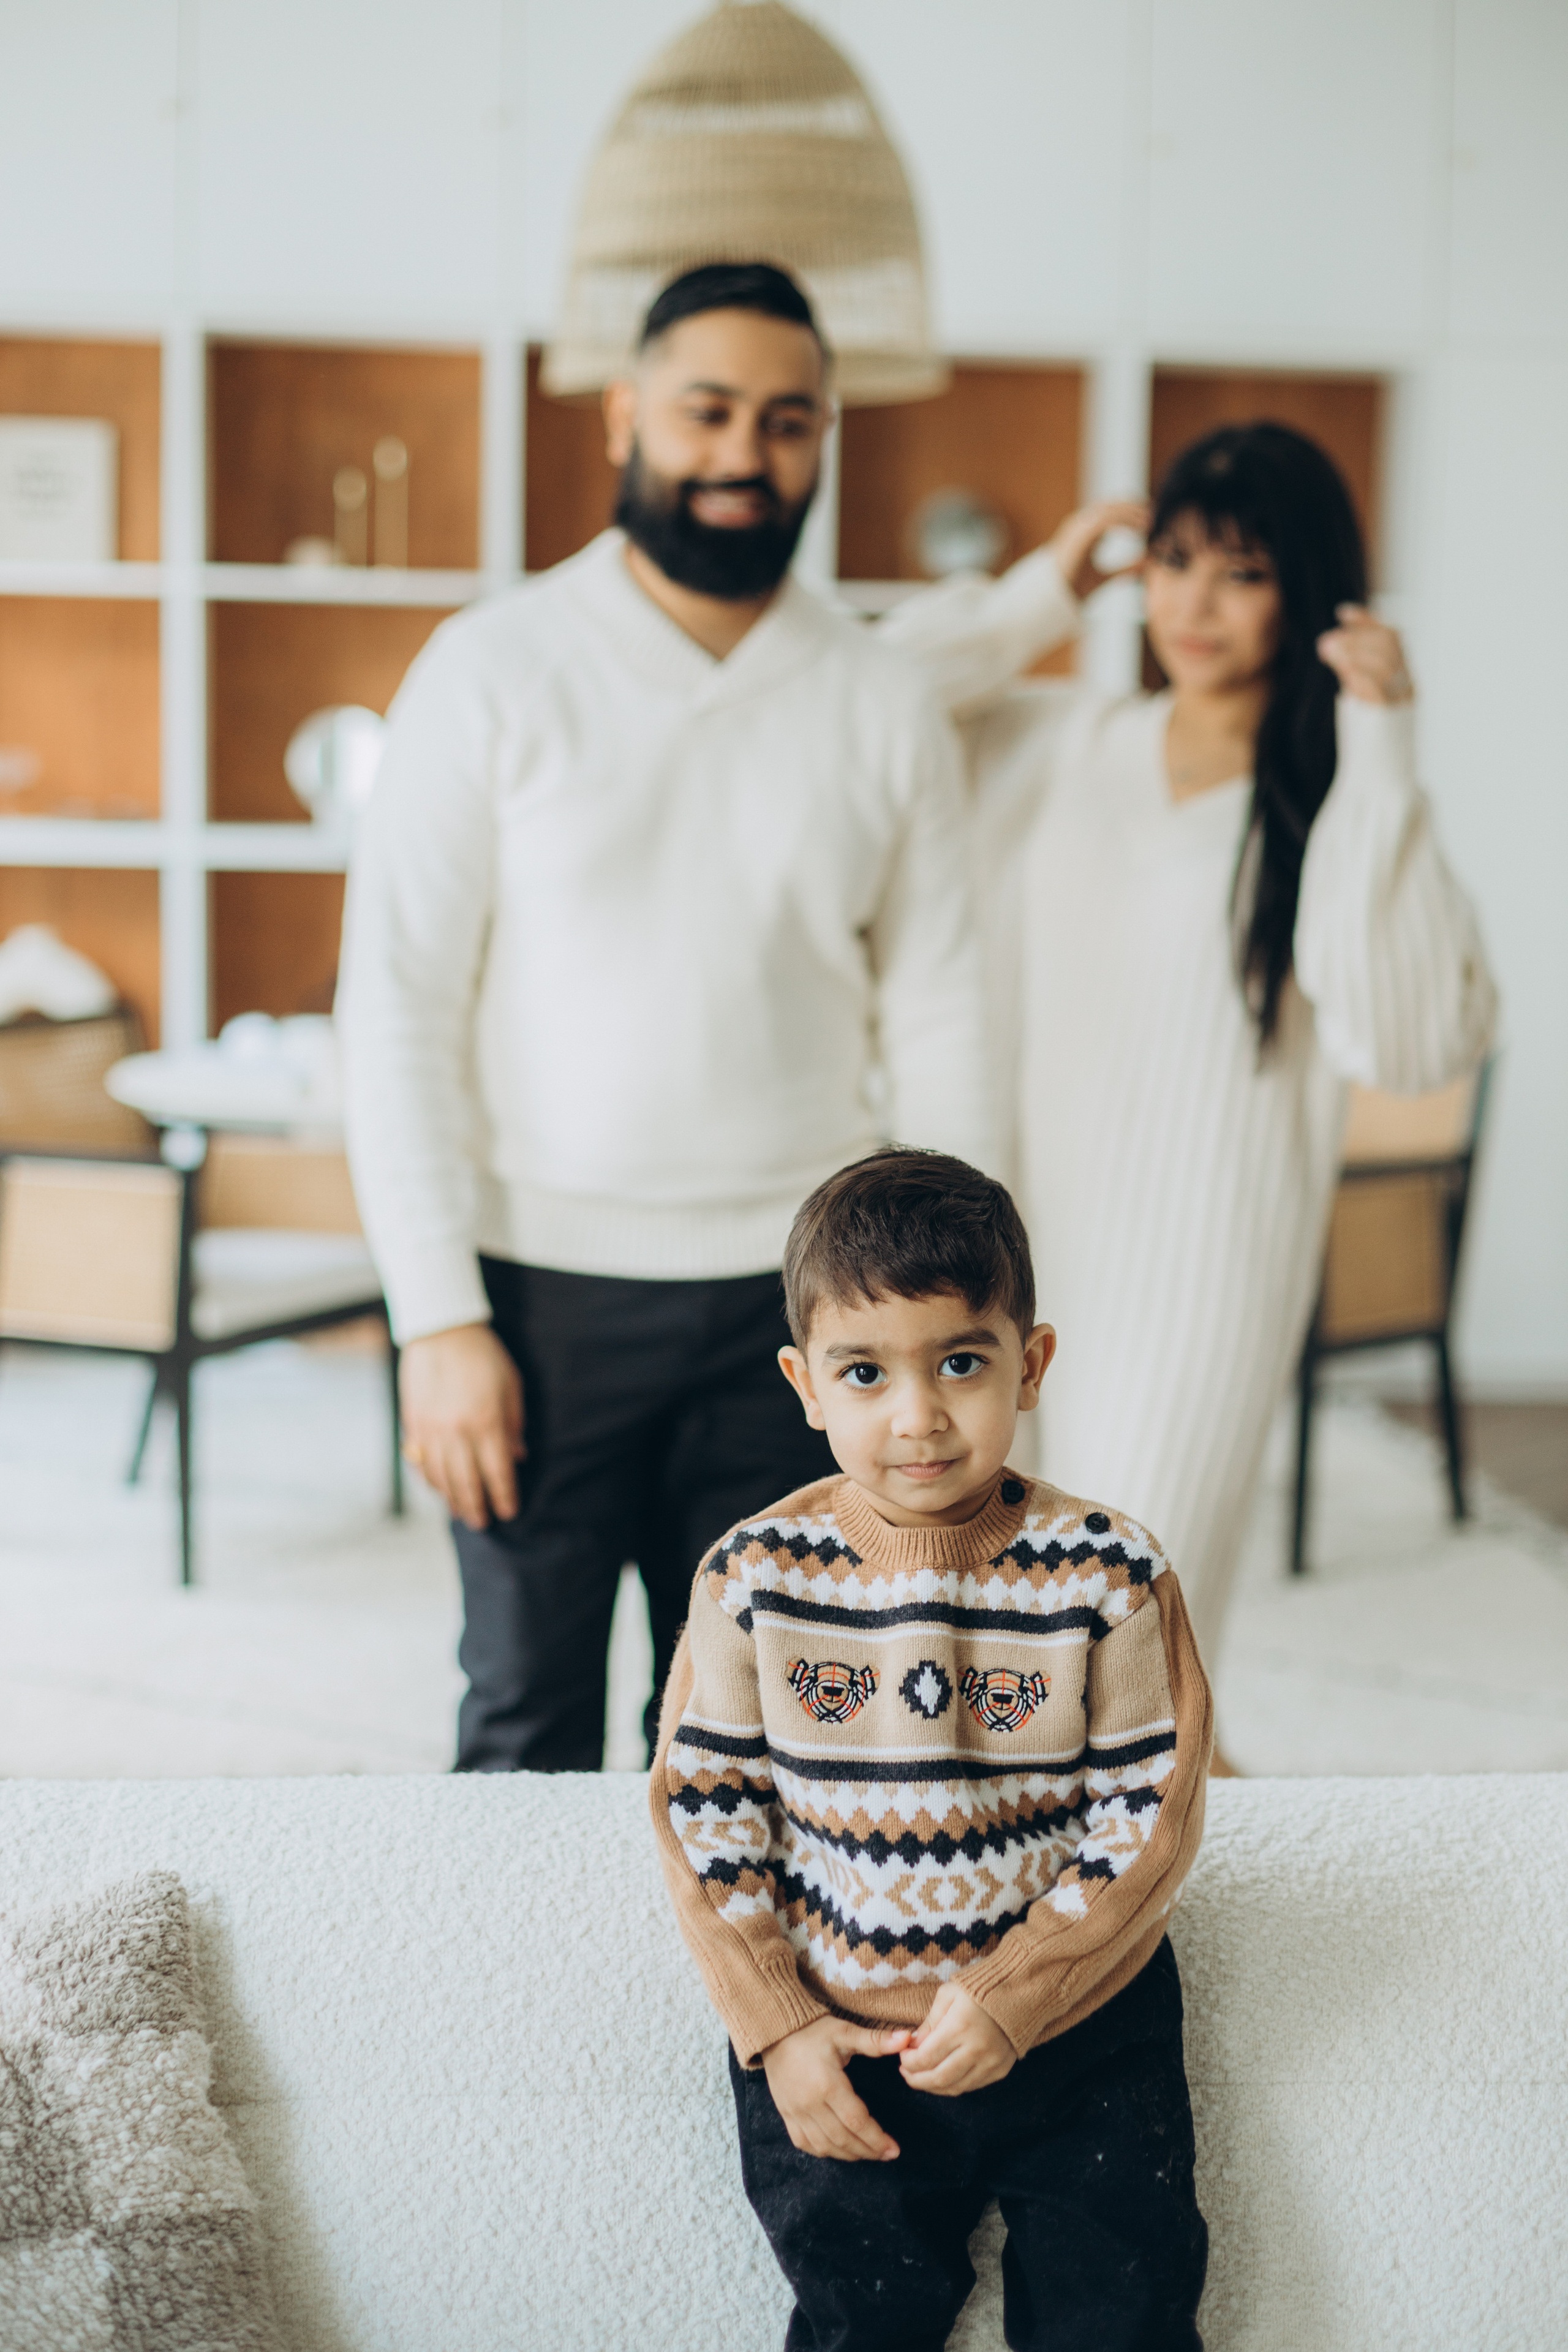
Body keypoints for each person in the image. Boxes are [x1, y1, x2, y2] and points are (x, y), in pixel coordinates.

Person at [337, 263, 994, 1773]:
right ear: (628, 414)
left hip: (803, 1307)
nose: (741, 454)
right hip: (534, 1298)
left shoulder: (879, 700)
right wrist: (436, 1316)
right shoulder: (491, 668)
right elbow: (396, 1008)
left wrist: (954, 1314)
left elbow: (946, 1011)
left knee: (769, 1739)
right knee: (524, 1723)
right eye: (707, 411)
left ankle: (741, 2018)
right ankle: (504, 2019)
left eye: (785, 421)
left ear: (822, 440)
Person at [879, 423, 1496, 1719]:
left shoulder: (1334, 793)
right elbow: (863, 701)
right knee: (992, 1630)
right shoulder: (1064, 738)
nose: (1192, 604)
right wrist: (1041, 591)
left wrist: (1382, 751)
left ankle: (1160, 1908)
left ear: (1308, 592)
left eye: (1240, 571)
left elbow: (1407, 1039)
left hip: (1203, 1269)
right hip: (1019, 1247)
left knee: (1125, 1649)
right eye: (1170, 561)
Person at [652, 1147, 1212, 2352]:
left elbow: (1149, 1808)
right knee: (859, 2320)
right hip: (842, 2027)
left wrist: (1022, 1991)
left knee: (1123, 2313)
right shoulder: (753, 1578)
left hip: (1076, 2028)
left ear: (1032, 1363)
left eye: (961, 1361)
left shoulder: (1108, 1574)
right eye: (865, 1372)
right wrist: (779, 2027)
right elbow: (707, 1809)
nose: (917, 1416)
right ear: (807, 1386)